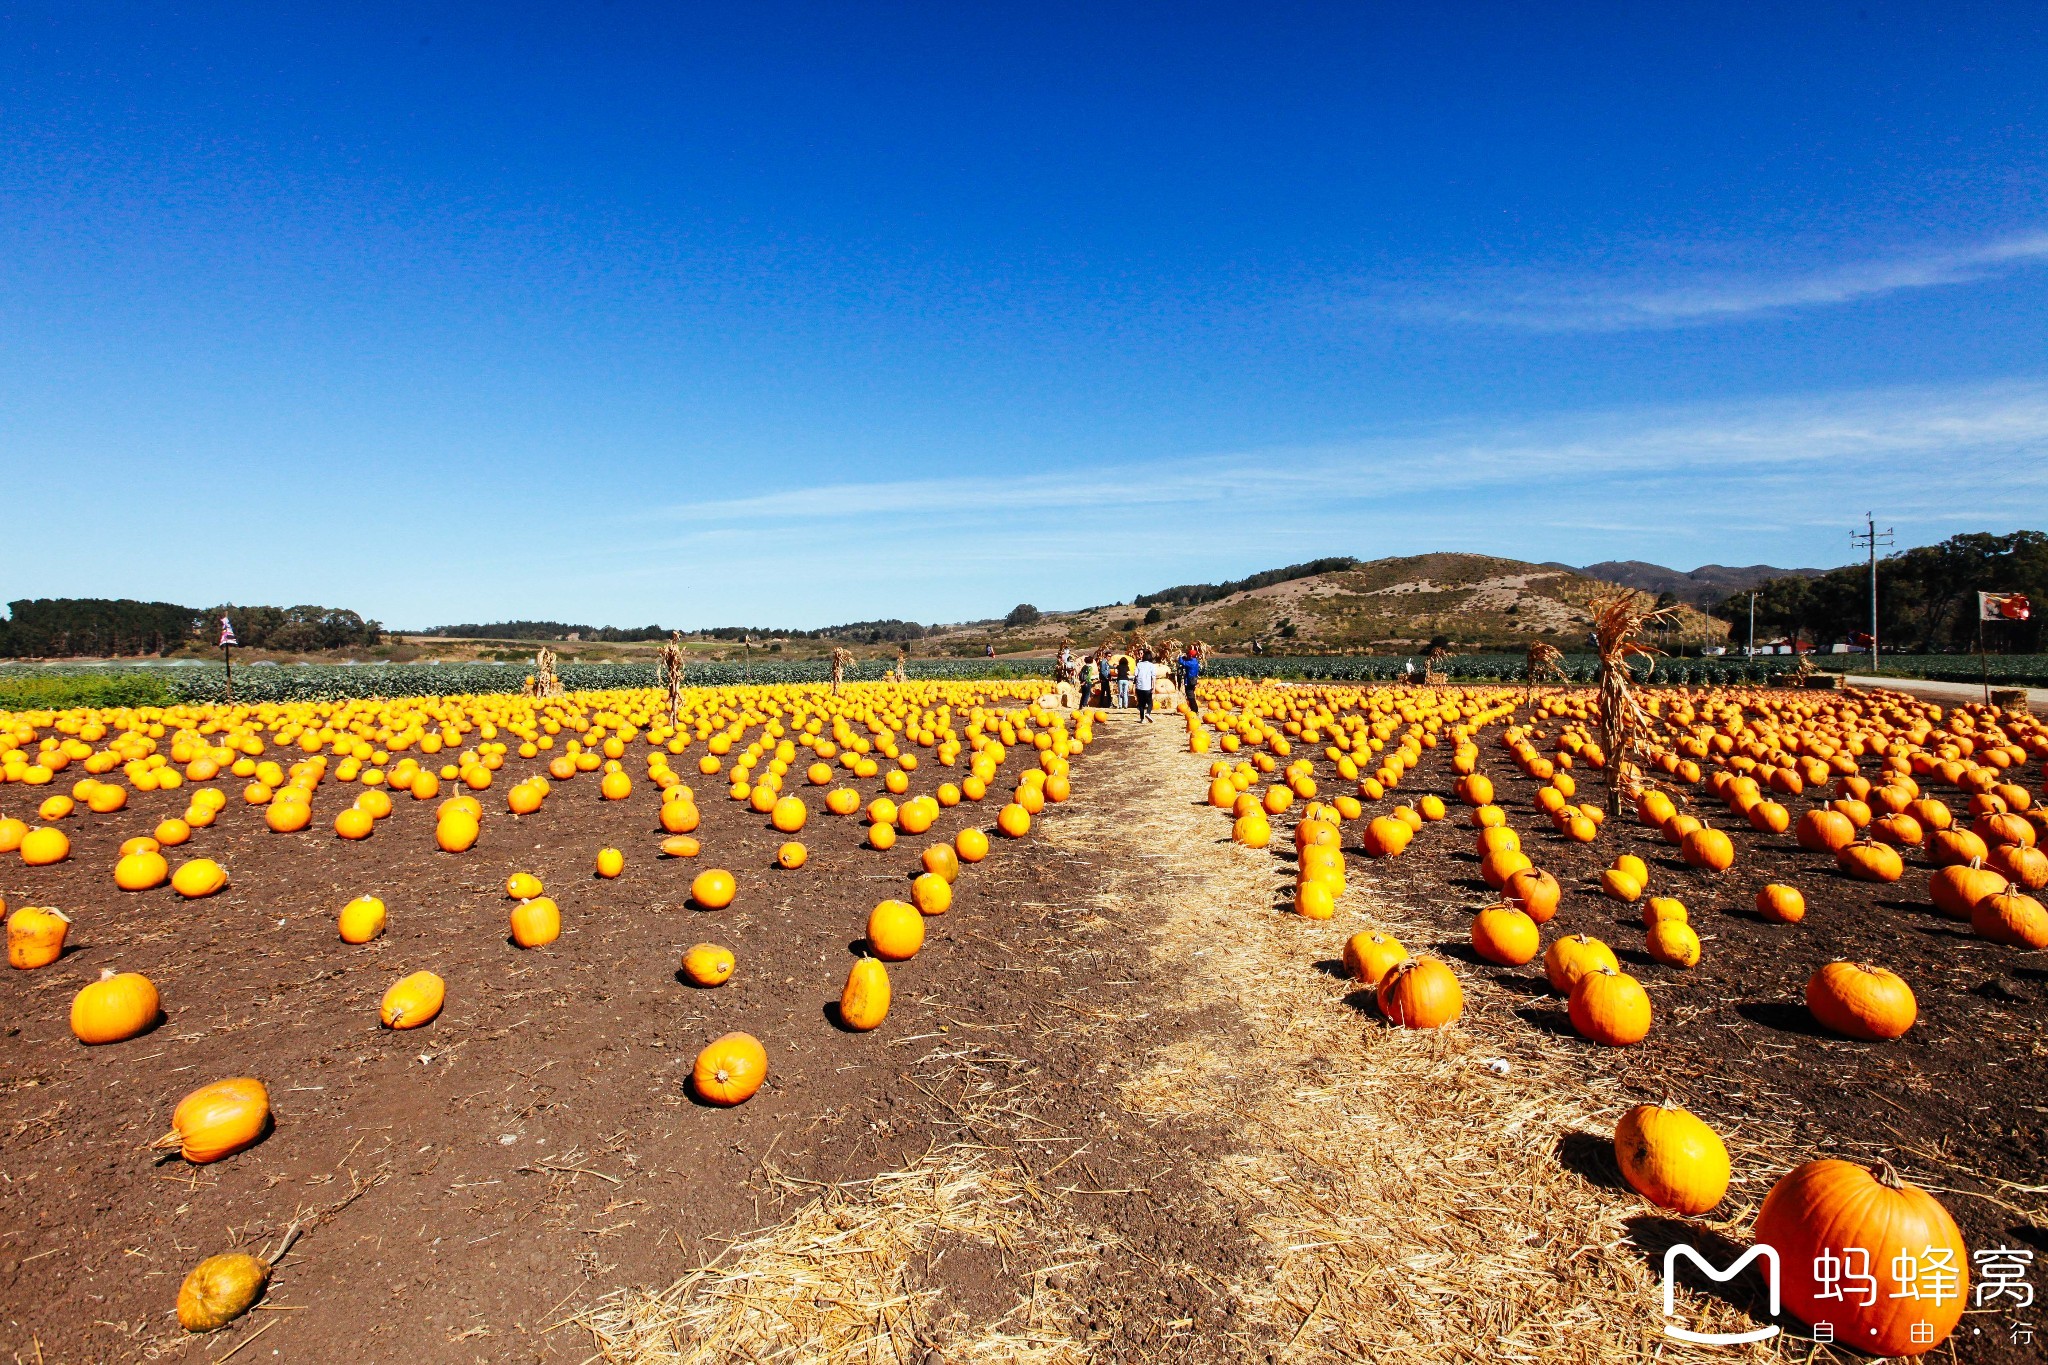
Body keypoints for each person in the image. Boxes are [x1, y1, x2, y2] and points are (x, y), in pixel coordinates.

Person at [1132, 648, 1157, 722]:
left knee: (1141, 703)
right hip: (1147, 687)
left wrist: (1134, 685)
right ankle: (1148, 713)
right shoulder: (1151, 665)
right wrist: (1154, 687)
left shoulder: (1139, 664)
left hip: (1139, 687)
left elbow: (1135, 674)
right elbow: (1153, 677)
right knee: (1150, 703)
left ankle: (1142, 719)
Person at [1181, 645, 1202, 710]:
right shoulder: (1195, 661)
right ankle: (1193, 708)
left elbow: (1182, 662)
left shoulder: (1190, 663)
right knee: (1191, 693)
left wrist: (1180, 657)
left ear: (1190, 656)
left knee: (1189, 694)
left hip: (1190, 680)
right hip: (1194, 679)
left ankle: (1194, 709)